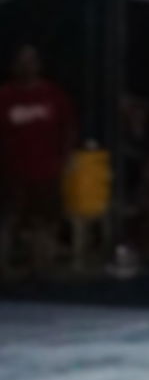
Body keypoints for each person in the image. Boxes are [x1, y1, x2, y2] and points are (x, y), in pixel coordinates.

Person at [0, 45, 75, 278]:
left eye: (31, 61)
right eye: (22, 61)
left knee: (46, 222)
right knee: (8, 220)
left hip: (47, 170)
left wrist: (67, 158)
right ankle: (4, 268)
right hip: (12, 171)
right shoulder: (5, 96)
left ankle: (42, 266)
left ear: (39, 65)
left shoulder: (53, 94)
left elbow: (69, 128)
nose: (27, 66)